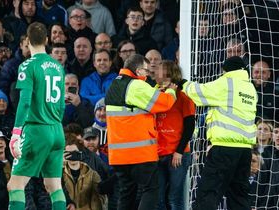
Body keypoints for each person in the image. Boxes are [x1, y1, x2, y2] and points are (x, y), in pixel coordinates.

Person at [181, 56, 257, 210]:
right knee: (239, 197)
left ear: (226, 70)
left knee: (208, 193)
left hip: (224, 148)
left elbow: (199, 93)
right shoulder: (251, 89)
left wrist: (183, 84)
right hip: (245, 151)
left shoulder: (226, 82)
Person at [105, 54, 177, 210]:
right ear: (138, 71)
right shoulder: (135, 86)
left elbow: (141, 101)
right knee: (151, 189)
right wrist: (171, 91)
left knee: (126, 194)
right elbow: (163, 103)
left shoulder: (114, 85)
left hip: (118, 156)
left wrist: (157, 89)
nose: (147, 75)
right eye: (146, 71)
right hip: (139, 154)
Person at [7, 22, 66, 210]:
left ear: (27, 41)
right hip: (57, 130)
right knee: (53, 186)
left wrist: (16, 133)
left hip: (36, 130)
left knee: (15, 185)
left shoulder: (27, 66)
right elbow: (62, 104)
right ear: (47, 40)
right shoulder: (57, 66)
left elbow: (24, 102)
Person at [155, 60, 195, 210]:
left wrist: (179, 151)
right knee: (158, 200)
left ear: (169, 74)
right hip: (157, 154)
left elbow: (190, 126)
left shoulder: (183, 96)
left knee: (174, 198)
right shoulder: (155, 95)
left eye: (160, 69)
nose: (155, 72)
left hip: (176, 154)